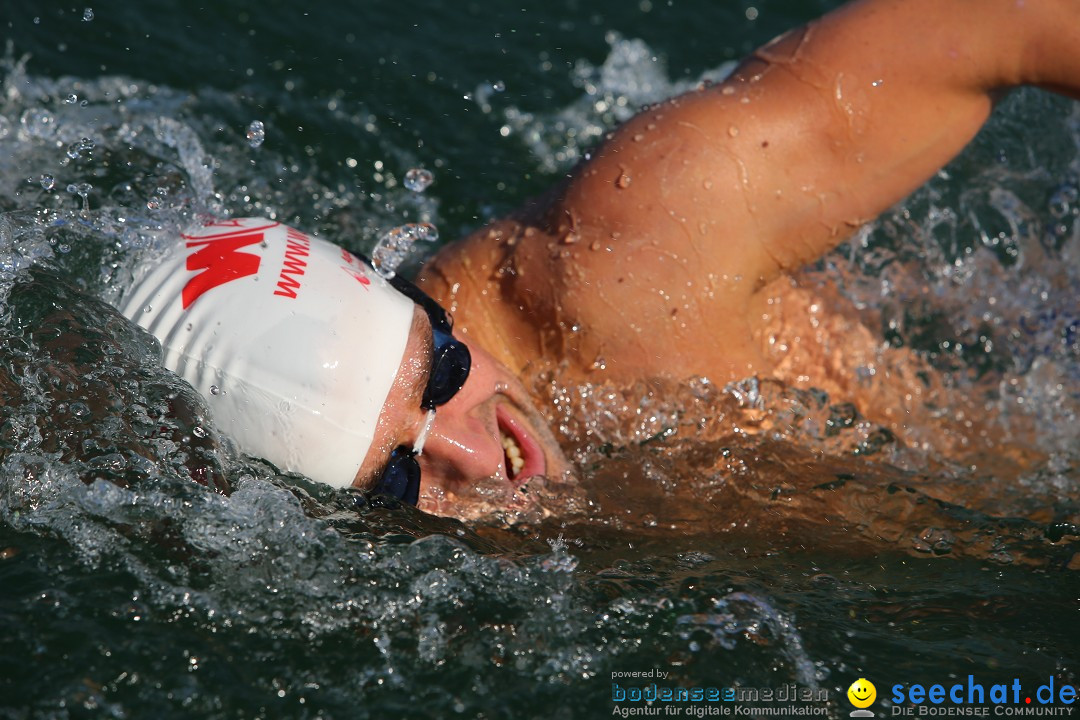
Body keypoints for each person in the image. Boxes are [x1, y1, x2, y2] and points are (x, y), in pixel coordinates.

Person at [122, 0, 1080, 514]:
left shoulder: (649, 244)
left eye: (442, 373)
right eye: (398, 483)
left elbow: (1010, 20)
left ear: (412, 302)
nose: (487, 458)